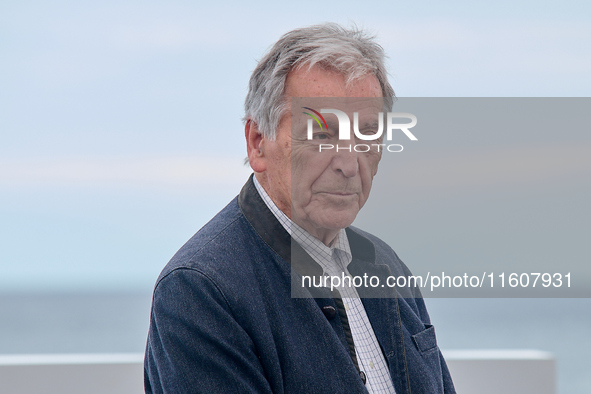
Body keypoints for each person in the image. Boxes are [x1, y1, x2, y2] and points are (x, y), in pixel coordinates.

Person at [144, 23, 455, 394]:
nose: (348, 162)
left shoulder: (385, 264)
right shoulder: (200, 290)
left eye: (368, 134)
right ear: (258, 143)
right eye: (321, 134)